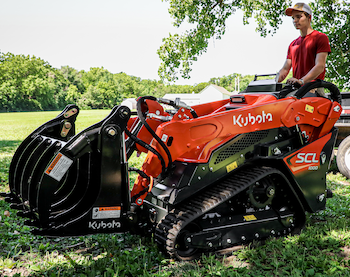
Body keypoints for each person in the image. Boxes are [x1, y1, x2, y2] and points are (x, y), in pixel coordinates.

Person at [278, 2, 331, 91]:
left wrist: (302, 81)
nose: (295, 20)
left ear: (309, 17)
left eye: (299, 17)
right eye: (293, 18)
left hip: (314, 89)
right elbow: (285, 69)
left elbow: (320, 66)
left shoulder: (320, 38)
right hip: (297, 91)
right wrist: (272, 83)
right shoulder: (293, 44)